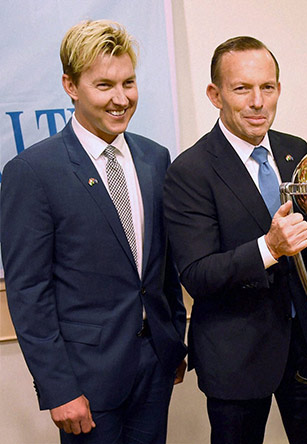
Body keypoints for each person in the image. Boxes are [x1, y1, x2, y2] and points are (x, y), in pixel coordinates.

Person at [1, 20, 187, 444]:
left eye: (129, 82)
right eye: (104, 85)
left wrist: (173, 338)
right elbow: (29, 293)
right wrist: (58, 389)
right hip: (85, 381)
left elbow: (163, 266)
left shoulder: (155, 158)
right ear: (70, 85)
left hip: (155, 366)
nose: (121, 99)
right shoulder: (32, 172)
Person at [162, 36, 307, 444]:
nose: (258, 101)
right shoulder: (190, 170)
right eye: (242, 88)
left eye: (268, 87)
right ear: (215, 94)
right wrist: (269, 248)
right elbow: (197, 275)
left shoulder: (297, 151)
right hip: (235, 357)